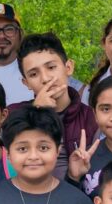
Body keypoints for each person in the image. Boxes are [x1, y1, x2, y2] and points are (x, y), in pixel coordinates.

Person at [17, 33, 96, 176]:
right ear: (26, 82)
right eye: (34, 74)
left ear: (69, 67)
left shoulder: (91, 117)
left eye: (51, 67)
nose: (45, 78)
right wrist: (36, 113)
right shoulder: (15, 115)